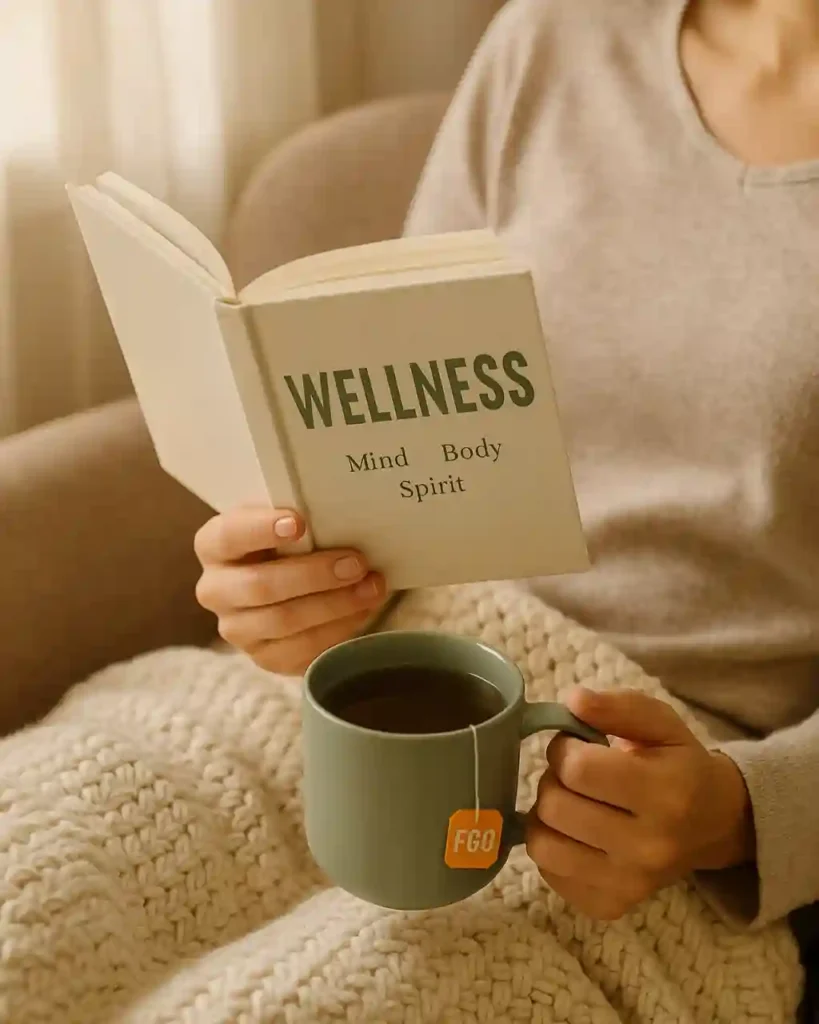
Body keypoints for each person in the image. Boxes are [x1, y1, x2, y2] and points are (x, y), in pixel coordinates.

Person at [194, 0, 819, 936]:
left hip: (626, 811)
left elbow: (735, 810)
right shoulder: (555, 34)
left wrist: (738, 812)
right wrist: (308, 590)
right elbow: (397, 426)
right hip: (357, 688)